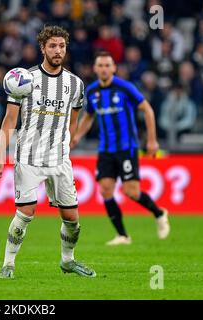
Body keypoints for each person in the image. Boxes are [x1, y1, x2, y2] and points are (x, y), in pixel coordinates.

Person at [0, 26, 96, 279]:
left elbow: (74, 118)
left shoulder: (75, 84)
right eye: (52, 46)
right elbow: (10, 120)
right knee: (25, 212)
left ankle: (68, 261)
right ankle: (8, 264)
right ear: (42, 48)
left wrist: (67, 141)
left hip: (59, 159)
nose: (58, 50)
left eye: (61, 46)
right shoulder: (24, 80)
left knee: (72, 218)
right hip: (29, 156)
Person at [71, 51, 170, 245]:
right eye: (100, 65)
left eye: (108, 65)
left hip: (126, 148)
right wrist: (77, 136)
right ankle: (123, 236)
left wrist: (151, 140)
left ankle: (159, 213)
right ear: (95, 68)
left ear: (114, 68)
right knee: (105, 190)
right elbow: (89, 116)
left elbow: (147, 109)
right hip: (105, 149)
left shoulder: (125, 88)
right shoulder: (91, 92)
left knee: (131, 192)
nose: (104, 69)